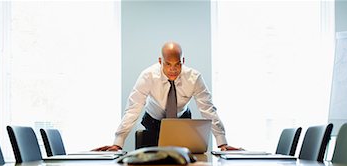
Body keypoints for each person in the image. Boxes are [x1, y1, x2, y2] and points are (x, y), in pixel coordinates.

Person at [94, 42, 241, 151]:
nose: (173, 69)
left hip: (182, 122)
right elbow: (133, 109)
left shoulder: (194, 78)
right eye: (168, 64)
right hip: (153, 123)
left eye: (177, 64)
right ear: (160, 61)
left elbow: (208, 109)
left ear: (183, 61)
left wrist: (222, 142)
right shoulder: (148, 76)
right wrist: (118, 142)